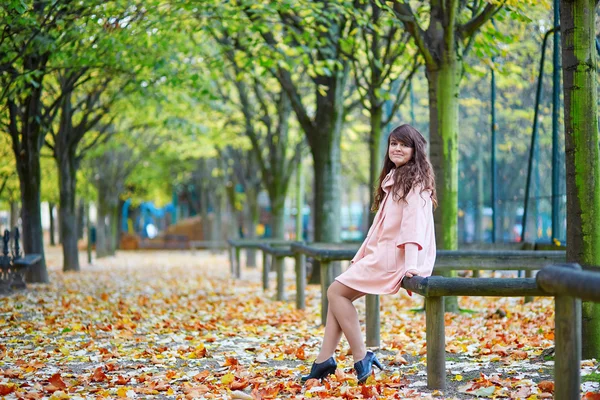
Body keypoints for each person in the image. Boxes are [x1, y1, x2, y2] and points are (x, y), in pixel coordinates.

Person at [301, 124, 437, 384]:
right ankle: (323, 360)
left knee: (335, 292)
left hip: (393, 258)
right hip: (379, 254)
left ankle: (360, 356)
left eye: (404, 145)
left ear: (415, 150)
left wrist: (412, 266)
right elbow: (378, 229)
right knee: (337, 297)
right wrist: (360, 258)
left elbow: (413, 230)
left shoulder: (415, 185)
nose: (397, 148)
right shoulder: (395, 180)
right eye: (393, 143)